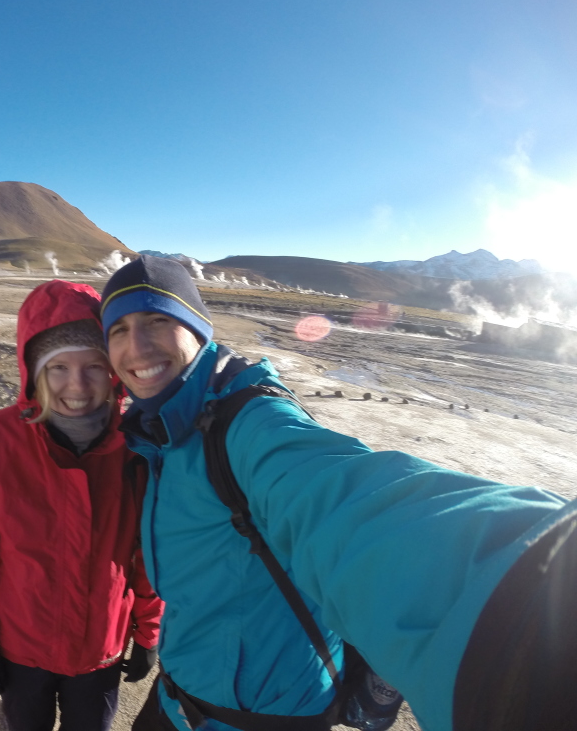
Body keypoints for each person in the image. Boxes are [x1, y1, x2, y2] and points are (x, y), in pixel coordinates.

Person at [98, 254, 577, 731]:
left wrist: (532, 577)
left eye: (159, 320)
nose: (137, 347)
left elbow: (345, 502)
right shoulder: (157, 438)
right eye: (119, 330)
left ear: (199, 330)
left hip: (264, 720)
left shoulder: (249, 427)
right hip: (176, 700)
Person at [0, 278, 164, 731]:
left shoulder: (139, 444)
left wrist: (148, 631)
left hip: (100, 649)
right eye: (57, 367)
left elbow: (151, 549)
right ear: (34, 371)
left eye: (93, 367)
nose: (76, 385)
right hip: (20, 648)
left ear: (113, 370)